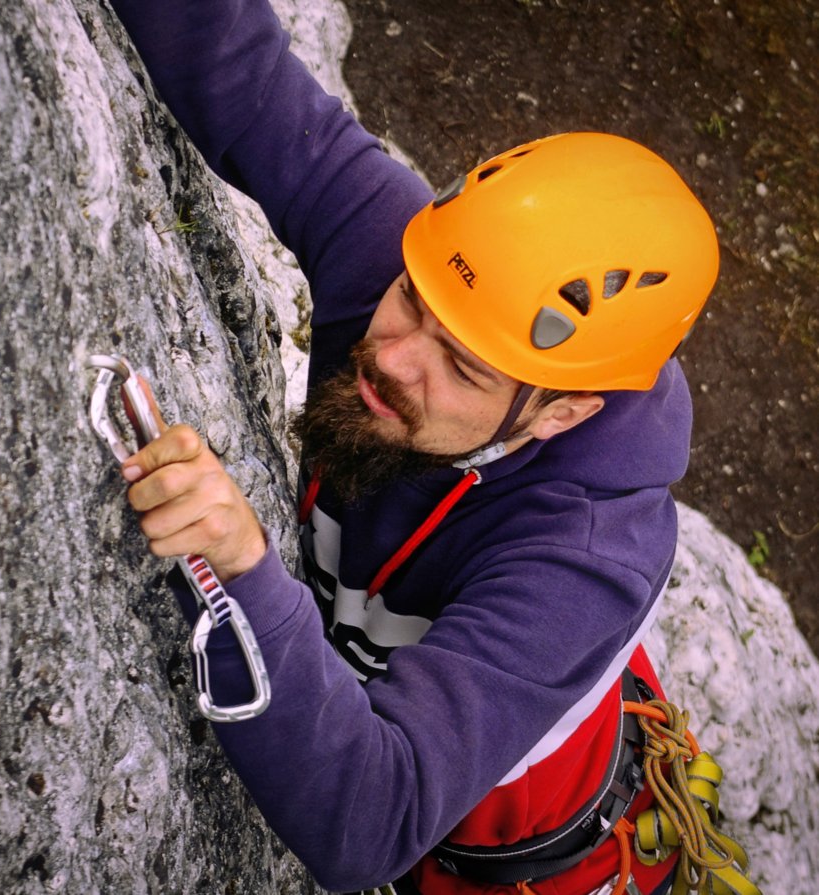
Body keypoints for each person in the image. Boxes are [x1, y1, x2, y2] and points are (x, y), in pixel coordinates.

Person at [105, 2, 723, 894]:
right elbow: (237, 74)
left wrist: (243, 570)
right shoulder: (434, 271)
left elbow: (372, 821)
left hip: (500, 856)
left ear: (560, 415)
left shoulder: (583, 558)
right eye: (408, 298)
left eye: (462, 370)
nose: (391, 356)